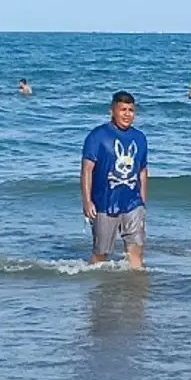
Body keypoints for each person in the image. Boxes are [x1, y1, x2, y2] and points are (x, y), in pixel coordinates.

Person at [81, 91, 149, 269]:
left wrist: (142, 199)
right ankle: (95, 290)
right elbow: (87, 169)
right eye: (123, 109)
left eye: (131, 110)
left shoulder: (140, 138)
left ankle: (136, 291)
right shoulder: (97, 136)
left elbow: (142, 169)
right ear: (112, 111)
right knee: (101, 253)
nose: (127, 114)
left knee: (136, 250)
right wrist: (87, 201)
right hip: (104, 203)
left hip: (133, 202)